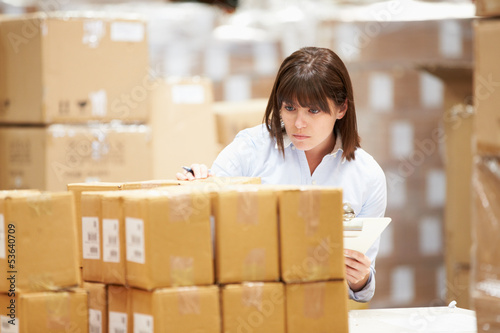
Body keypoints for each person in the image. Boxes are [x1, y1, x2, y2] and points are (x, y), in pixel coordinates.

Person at [177, 46, 387, 302]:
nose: (299, 123)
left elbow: (363, 290)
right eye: (289, 108)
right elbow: (206, 206)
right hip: (249, 303)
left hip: (317, 311)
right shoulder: (251, 149)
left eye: (313, 111)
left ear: (341, 109)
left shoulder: (367, 175)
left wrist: (360, 278)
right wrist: (196, 182)